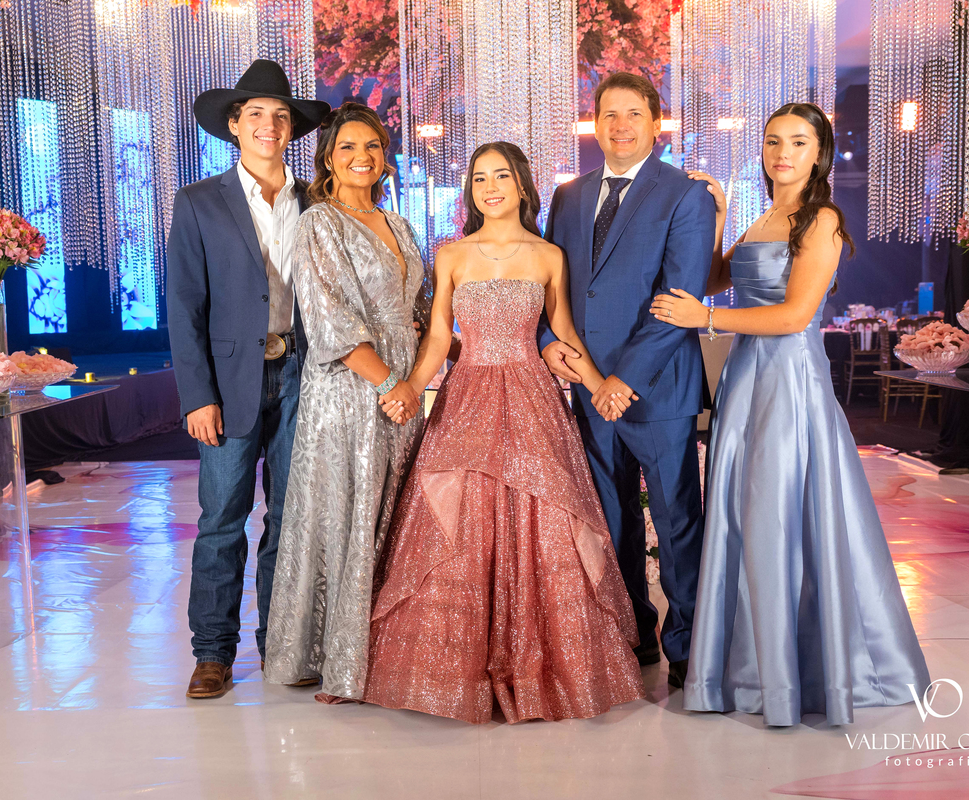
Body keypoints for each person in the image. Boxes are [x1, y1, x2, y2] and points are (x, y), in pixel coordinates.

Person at [650, 102, 931, 726]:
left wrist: (705, 320)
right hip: (745, 379)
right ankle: (750, 665)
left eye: (798, 143)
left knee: (779, 509)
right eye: (774, 141)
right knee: (743, 510)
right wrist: (719, 218)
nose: (783, 153)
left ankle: (792, 675)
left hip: (789, 379)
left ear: (819, 153)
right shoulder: (765, 216)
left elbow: (795, 316)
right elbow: (717, 278)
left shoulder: (821, 219)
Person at [362, 142, 644, 724]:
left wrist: (599, 386)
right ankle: (453, 670)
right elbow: (439, 337)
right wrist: (411, 386)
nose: (489, 188)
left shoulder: (548, 256)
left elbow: (563, 333)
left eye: (501, 177)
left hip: (531, 393)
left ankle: (545, 668)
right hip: (467, 394)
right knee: (457, 516)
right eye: (479, 179)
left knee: (546, 516)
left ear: (522, 186)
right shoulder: (450, 255)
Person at [540, 72, 715, 689]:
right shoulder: (568, 196)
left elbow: (679, 300)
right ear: (594, 123)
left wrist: (623, 379)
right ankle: (629, 631)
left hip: (657, 387)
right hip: (589, 389)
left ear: (655, 123)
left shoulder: (686, 195)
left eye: (633, 114)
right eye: (608, 114)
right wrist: (552, 345)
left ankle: (688, 644)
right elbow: (551, 287)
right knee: (610, 519)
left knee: (675, 521)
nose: (619, 126)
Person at [168, 59, 330, 699]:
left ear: (292, 128)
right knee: (222, 520)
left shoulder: (316, 202)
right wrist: (197, 396)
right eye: (256, 113)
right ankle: (212, 654)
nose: (270, 125)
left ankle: (281, 644)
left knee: (290, 519)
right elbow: (184, 307)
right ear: (234, 124)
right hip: (229, 382)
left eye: (281, 115)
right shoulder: (199, 202)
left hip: (303, 376)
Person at [263, 102, 429, 703]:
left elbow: (419, 308)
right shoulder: (319, 223)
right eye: (349, 147)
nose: (363, 157)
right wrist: (388, 384)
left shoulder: (399, 224)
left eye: (373, 146)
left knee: (394, 514)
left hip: (404, 389)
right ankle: (338, 662)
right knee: (346, 513)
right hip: (351, 391)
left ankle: (384, 655)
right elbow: (329, 319)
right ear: (328, 159)